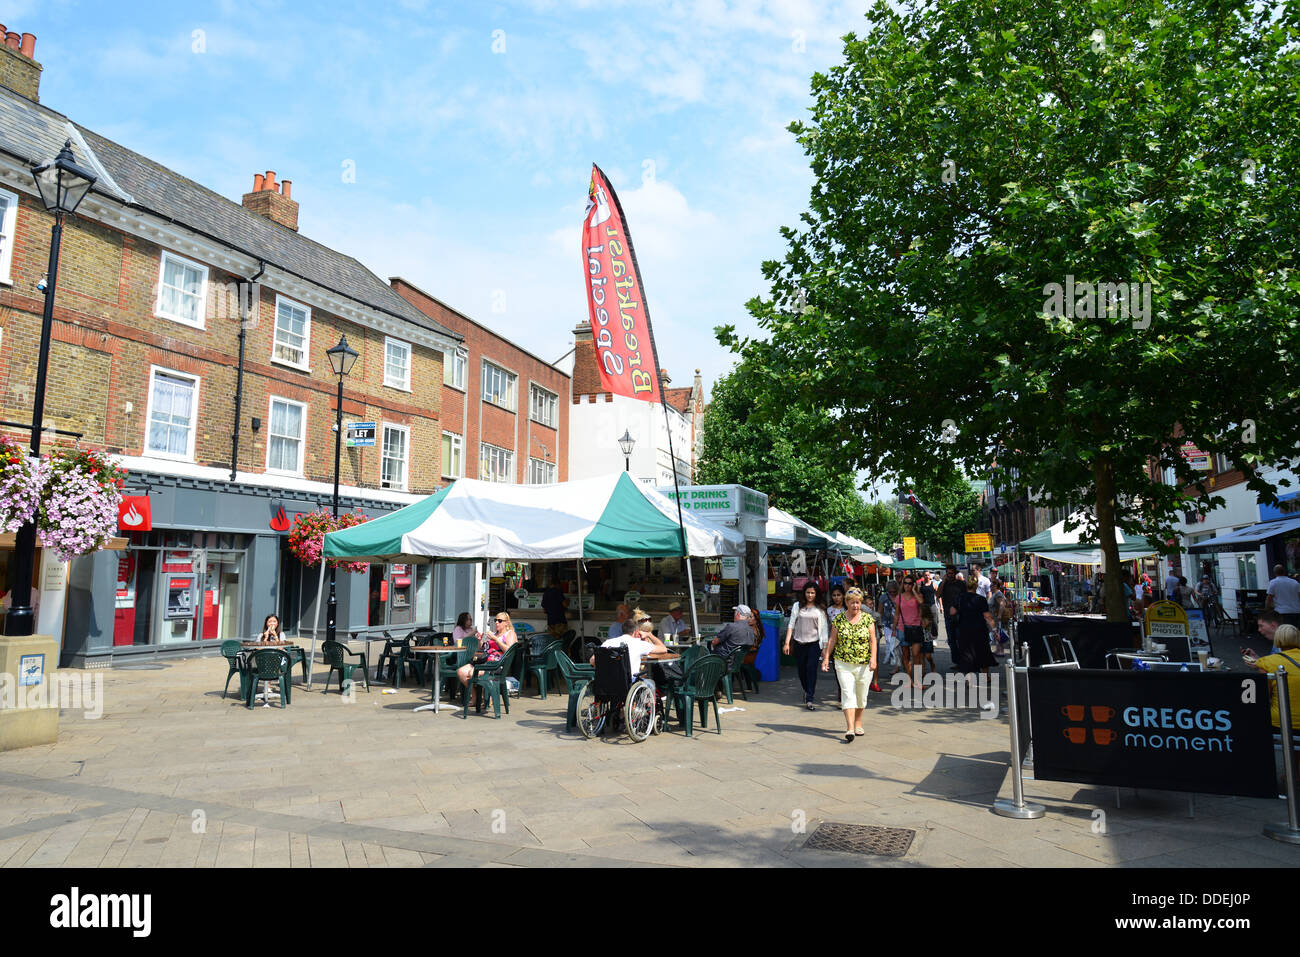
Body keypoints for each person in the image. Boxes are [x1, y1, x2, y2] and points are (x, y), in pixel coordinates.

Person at [1243, 624, 1300, 787]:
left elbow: (1258, 697)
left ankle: (1258, 773)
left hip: (1281, 722)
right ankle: (1294, 772)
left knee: (1252, 719)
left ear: (1278, 640)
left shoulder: (1268, 662)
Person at [820, 587, 877, 743]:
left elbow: (873, 640)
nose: (855, 606)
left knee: (861, 696)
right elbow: (832, 640)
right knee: (847, 693)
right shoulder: (838, 620)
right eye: (852, 603)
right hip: (843, 662)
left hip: (864, 663)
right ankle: (850, 728)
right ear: (847, 603)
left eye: (858, 603)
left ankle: (858, 722)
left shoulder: (867, 619)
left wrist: (874, 659)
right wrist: (826, 657)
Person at [784, 584, 828, 710]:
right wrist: (787, 643)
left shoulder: (820, 609)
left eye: (812, 593)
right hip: (799, 643)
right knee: (801, 670)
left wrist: (825, 649)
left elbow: (824, 630)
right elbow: (791, 625)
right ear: (804, 593)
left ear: (816, 594)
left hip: (814, 643)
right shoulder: (797, 606)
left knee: (811, 669)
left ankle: (810, 697)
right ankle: (806, 689)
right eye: (808, 592)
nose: (810, 595)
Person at [458, 611, 518, 700]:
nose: (497, 622)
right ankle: (475, 697)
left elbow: (509, 650)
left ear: (506, 623)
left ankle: (485, 697)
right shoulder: (493, 634)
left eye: (500, 621)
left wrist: (496, 640)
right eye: (495, 620)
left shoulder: (509, 633)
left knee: (471, 673)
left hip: (496, 665)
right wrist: (479, 640)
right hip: (484, 661)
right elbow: (482, 649)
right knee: (461, 672)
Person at [953, 575, 998, 675]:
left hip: (965, 629)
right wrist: (994, 630)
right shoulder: (981, 599)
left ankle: (969, 680)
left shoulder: (960, 598)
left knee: (966, 654)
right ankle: (985, 676)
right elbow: (987, 616)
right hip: (979, 629)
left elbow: (952, 611)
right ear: (976, 586)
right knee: (983, 651)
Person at [894, 577, 925, 689]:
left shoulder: (918, 596)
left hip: (916, 627)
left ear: (913, 584)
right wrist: (894, 629)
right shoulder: (899, 598)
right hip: (902, 628)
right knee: (906, 656)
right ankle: (909, 680)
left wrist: (914, 591)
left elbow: (921, 602)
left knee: (916, 655)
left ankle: (917, 681)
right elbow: (897, 614)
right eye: (905, 583)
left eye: (910, 583)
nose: (907, 586)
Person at [940, 566, 964, 661]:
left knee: (960, 639)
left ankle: (963, 660)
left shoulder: (961, 584)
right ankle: (957, 661)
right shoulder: (944, 584)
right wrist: (943, 582)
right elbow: (938, 595)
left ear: (955, 573)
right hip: (948, 616)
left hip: (960, 615)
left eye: (952, 573)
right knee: (951, 640)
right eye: (948, 573)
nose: (950, 575)